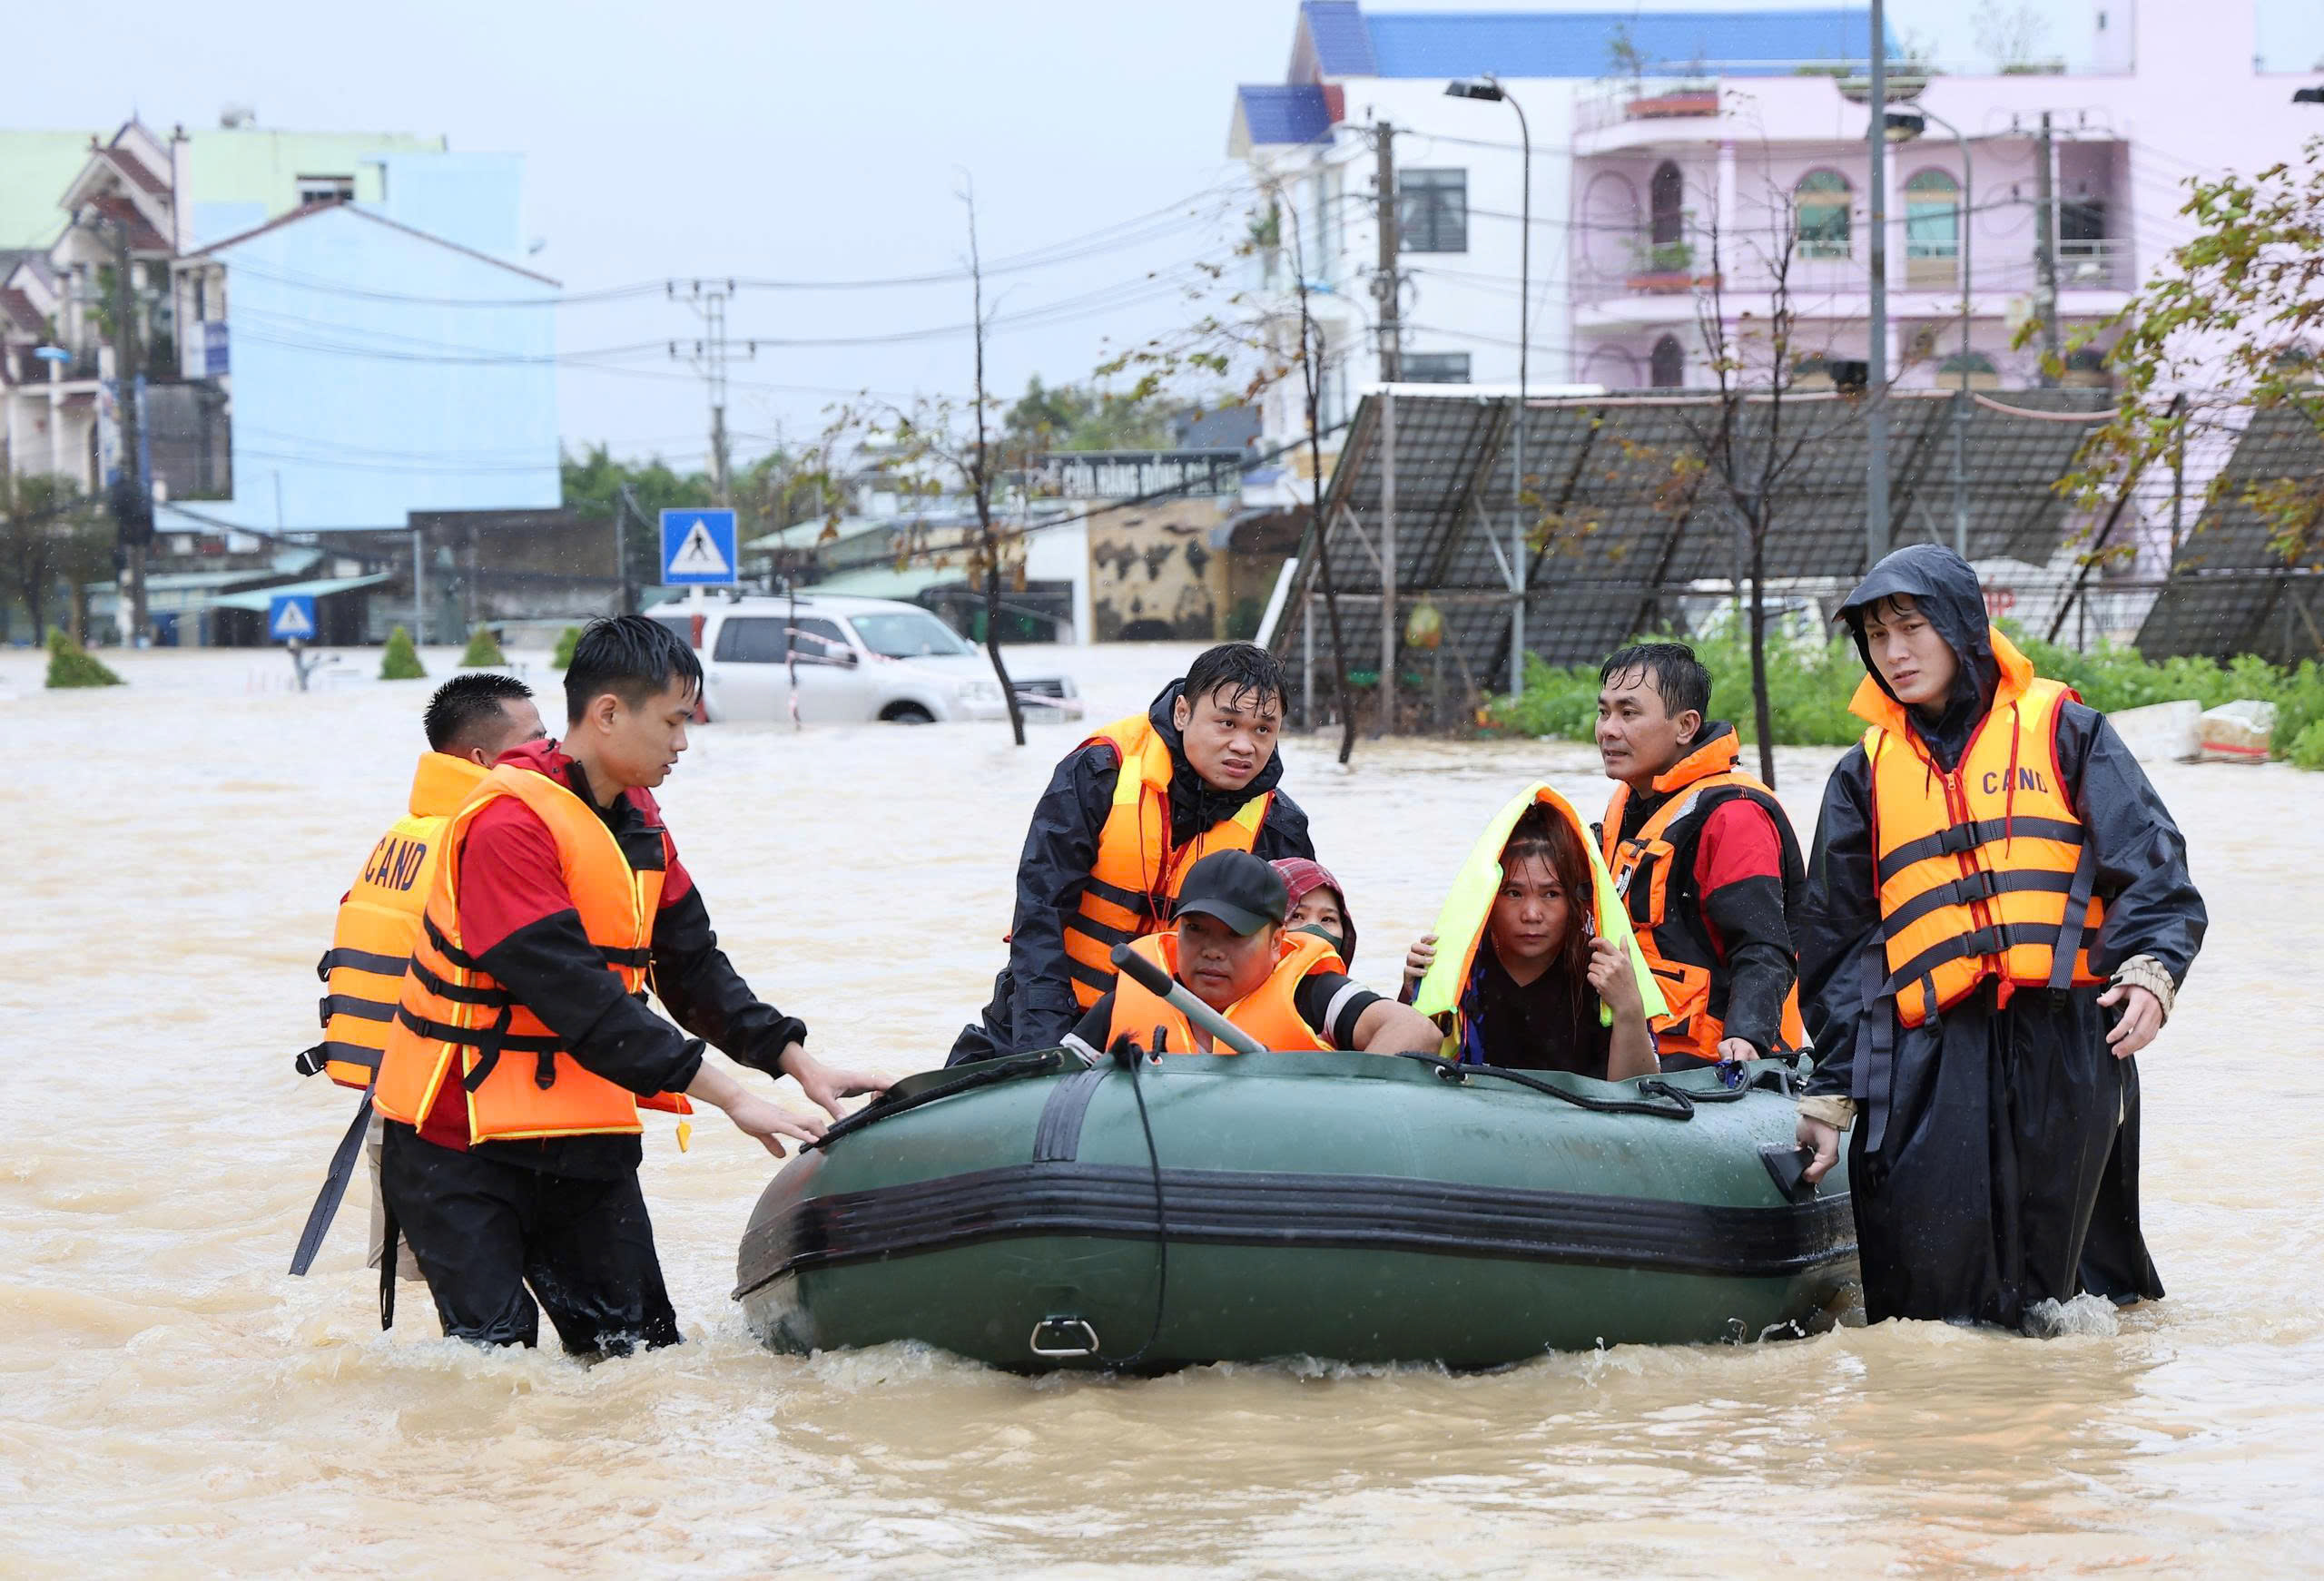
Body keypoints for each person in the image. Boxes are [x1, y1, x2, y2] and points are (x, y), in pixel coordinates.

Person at [369, 616, 891, 1354]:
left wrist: (794, 1059)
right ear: (608, 713)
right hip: (458, 1143)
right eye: (675, 720)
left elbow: (693, 965)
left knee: (639, 1360)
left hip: (582, 1136)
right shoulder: (506, 824)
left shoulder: (641, 818)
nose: (685, 742)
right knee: (494, 1368)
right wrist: (733, 1098)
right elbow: (579, 998)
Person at [1793, 545, 2205, 1330]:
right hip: (1928, 1052)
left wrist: (2153, 970)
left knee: (2066, 1302)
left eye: (1910, 628)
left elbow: (2153, 866)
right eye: (1877, 638)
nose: (1894, 653)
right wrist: (1832, 1086)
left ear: (1960, 625)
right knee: (1927, 1310)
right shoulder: (1863, 773)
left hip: (2066, 1040)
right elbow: (1837, 945)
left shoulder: (2069, 732)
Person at [290, 673, 548, 1287]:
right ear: (484, 758)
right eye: (537, 738)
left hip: (397, 1107)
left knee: (420, 1308)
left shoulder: (402, 839)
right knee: (485, 1316)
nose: (550, 752)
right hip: (462, 1115)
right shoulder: (477, 843)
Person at [948, 642, 1315, 1065]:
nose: (1244, 745)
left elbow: (1302, 950)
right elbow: (1039, 914)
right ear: (1182, 713)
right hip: (1054, 1017)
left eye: (1263, 730)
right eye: (1226, 723)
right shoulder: (1099, 771)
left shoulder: (1280, 824)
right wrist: (1045, 1053)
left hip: (1185, 1044)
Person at [1592, 643, 1809, 1072]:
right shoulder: (1631, 802)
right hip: (1638, 1044)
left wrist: (1746, 1036)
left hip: (1707, 1064)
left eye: (1628, 713)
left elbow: (1763, 946)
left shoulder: (1735, 816)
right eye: (1604, 712)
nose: (1608, 730)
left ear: (1686, 726)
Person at [1403, 787, 1663, 1080]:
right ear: (1488, 899)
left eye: (1551, 894)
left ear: (1575, 901)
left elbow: (1639, 1096)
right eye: (1514, 893)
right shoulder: (1459, 972)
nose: (1531, 914)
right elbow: (1406, 1079)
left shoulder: (1599, 974)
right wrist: (1413, 996)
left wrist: (1629, 1007)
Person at [1070, 850, 1440, 1056]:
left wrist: (1347, 1113)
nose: (1212, 952)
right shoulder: (1128, 1001)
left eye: (1235, 935)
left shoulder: (1314, 994)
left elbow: (1415, 1029)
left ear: (1277, 942)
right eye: (1196, 930)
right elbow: (1053, 1083)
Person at [1273, 857, 1356, 965]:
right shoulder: (1246, 981)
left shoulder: (1350, 982)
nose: (1314, 934)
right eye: (1296, 916)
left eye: (1327, 919)